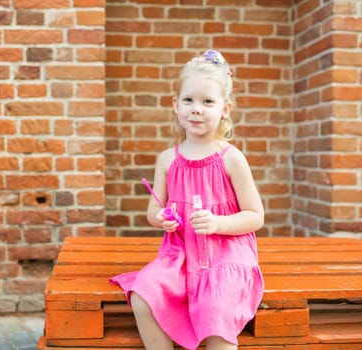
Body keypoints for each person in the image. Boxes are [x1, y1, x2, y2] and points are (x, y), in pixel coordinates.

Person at [109, 49, 265, 350]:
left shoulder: (231, 159)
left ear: (225, 109)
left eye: (208, 102)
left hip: (226, 254)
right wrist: (161, 218)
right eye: (189, 100)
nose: (196, 109)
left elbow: (255, 215)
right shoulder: (168, 160)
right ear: (175, 105)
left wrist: (218, 223)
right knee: (143, 293)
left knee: (215, 307)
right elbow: (154, 208)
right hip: (179, 253)